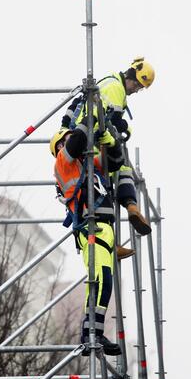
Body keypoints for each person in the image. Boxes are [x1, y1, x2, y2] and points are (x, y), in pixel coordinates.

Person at [50, 123, 130, 356]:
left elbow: (114, 162)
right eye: (65, 140)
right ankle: (93, 333)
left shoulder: (90, 164)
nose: (71, 141)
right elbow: (77, 141)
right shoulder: (63, 163)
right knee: (101, 279)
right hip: (89, 227)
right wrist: (93, 118)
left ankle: (91, 332)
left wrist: (109, 139)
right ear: (59, 147)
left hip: (104, 228)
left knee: (101, 281)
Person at [61, 57, 155, 236]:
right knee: (113, 174)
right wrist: (127, 128)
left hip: (86, 136)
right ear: (131, 76)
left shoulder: (109, 82)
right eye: (137, 85)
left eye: (140, 88)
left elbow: (75, 106)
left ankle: (127, 213)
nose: (136, 90)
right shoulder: (115, 88)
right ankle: (127, 211)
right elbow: (113, 122)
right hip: (93, 140)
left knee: (117, 172)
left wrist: (65, 128)